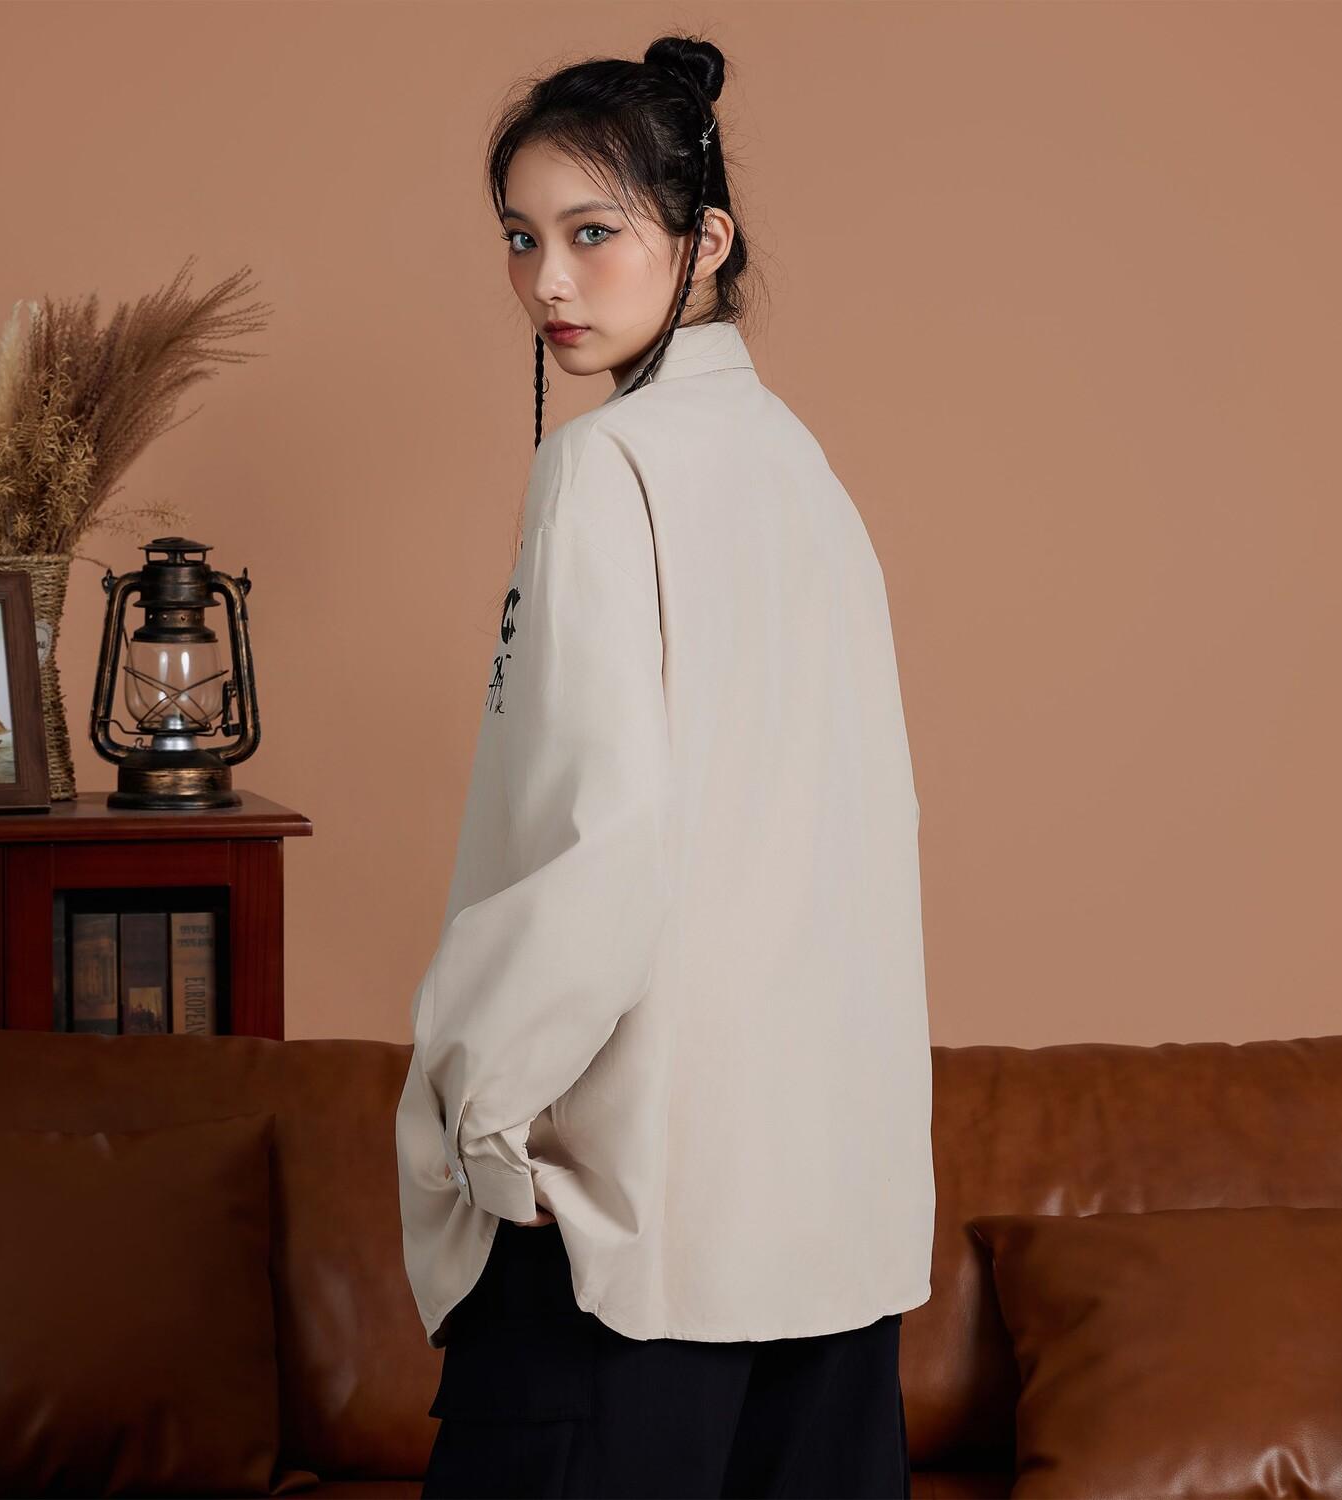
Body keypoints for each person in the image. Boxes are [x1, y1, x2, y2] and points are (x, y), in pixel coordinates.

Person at [395, 30, 934, 1499]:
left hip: (628, 1232)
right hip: (831, 1235)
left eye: (593, 234)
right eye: (521, 239)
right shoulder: (804, 472)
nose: (549, 283)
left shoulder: (604, 466)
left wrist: (475, 1121)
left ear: (708, 241)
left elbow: (604, 841)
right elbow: (858, 839)